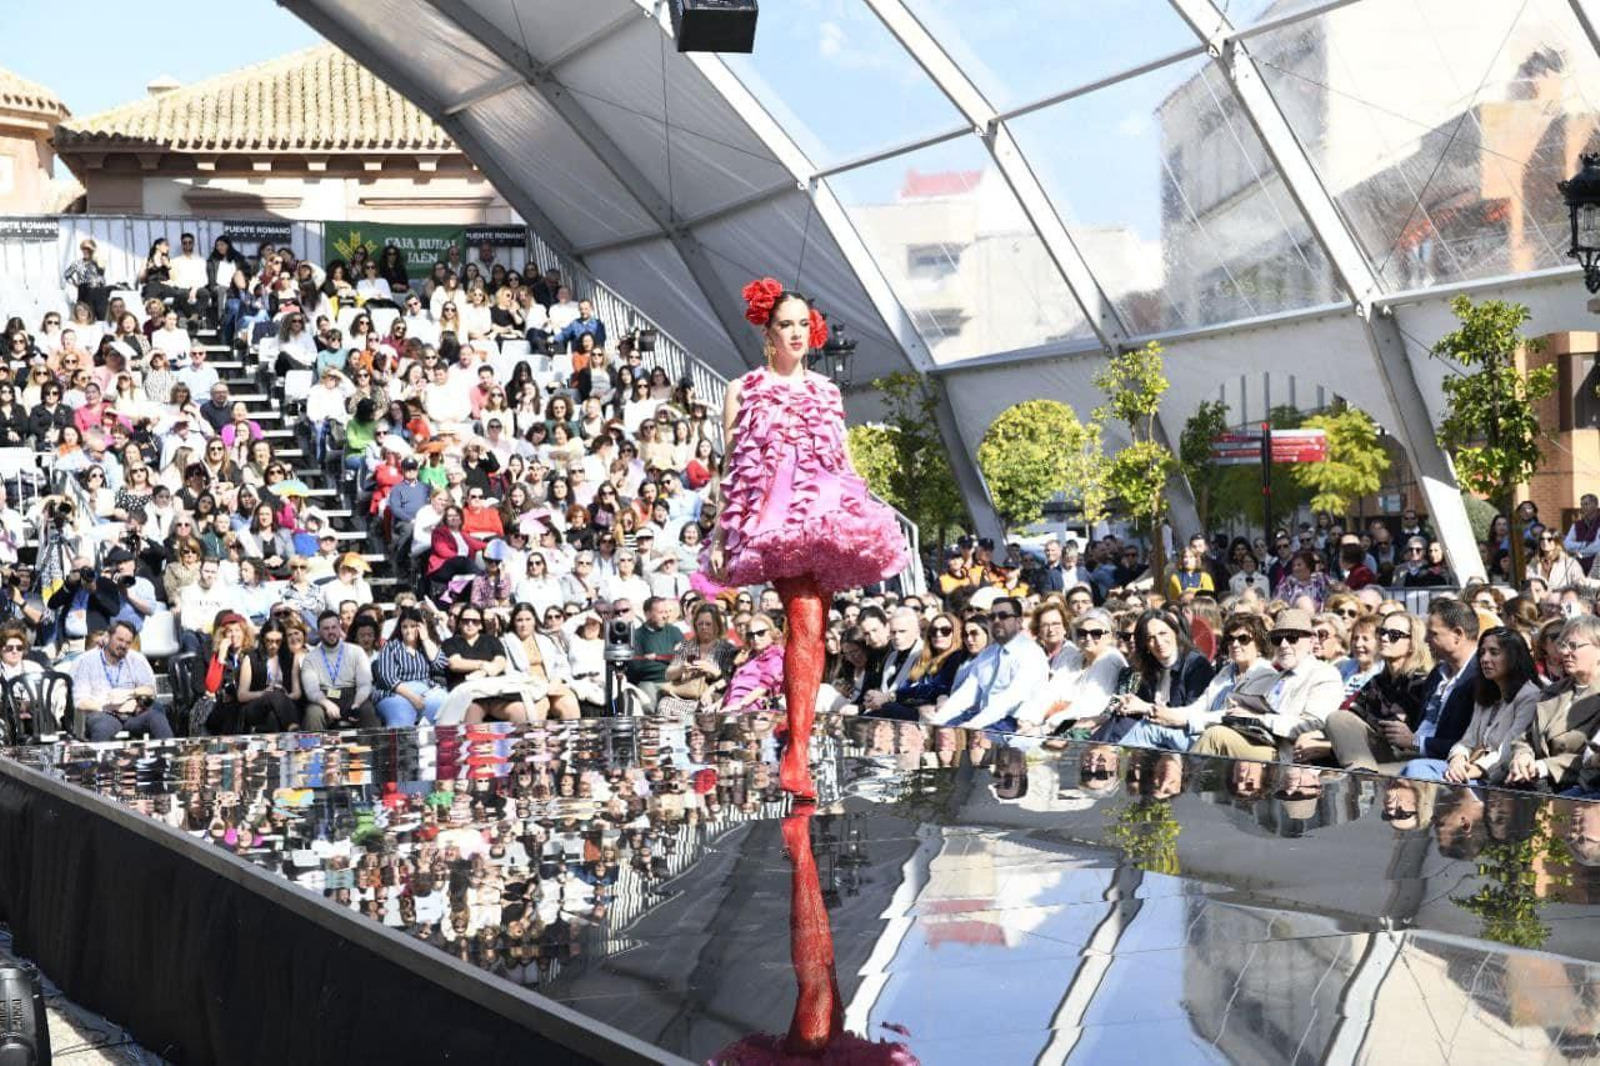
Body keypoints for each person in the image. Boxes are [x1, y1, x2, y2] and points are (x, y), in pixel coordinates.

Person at [706, 282, 905, 794]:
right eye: (785, 325)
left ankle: (800, 735)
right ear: (767, 332)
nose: (796, 333)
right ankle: (797, 750)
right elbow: (733, 470)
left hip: (829, 514)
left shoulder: (827, 390)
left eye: (801, 324)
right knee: (805, 618)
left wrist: (865, 507)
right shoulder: (743, 389)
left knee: (814, 630)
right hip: (779, 520)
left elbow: (843, 460)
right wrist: (720, 535)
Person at [1325, 601, 1476, 772]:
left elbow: (1392, 725)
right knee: (1339, 720)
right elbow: (1353, 712)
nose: (1383, 638)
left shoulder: (1421, 681)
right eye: (1381, 632)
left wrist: (1413, 741)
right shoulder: (1436, 675)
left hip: (1431, 761)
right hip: (1405, 751)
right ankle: (1363, 774)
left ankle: (1363, 777)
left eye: (1394, 635)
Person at [1101, 612, 1276, 751]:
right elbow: (1198, 706)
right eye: (1230, 639)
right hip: (1199, 732)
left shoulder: (1263, 673)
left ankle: (1110, 766)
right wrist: (1166, 715)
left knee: (1150, 729)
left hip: (1225, 739)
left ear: (1259, 643)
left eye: (1243, 639)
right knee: (1125, 721)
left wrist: (1178, 719)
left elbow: (1232, 717)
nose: (1235, 644)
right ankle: (1100, 760)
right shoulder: (1228, 671)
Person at [1190, 608, 1344, 761]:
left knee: (1216, 736)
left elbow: (1313, 724)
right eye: (1277, 639)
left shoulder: (1325, 675)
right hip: (1262, 746)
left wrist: (1259, 718)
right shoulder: (1276, 678)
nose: (1283, 645)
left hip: (1290, 755)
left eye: (1292, 638)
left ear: (1311, 641)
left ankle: (1181, 782)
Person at [1402, 626, 1540, 783]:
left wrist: (1477, 769)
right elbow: (1467, 741)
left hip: (1497, 777)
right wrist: (1457, 759)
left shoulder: (1529, 696)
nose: (1485, 659)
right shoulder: (1486, 694)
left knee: (1417, 771)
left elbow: (1511, 747)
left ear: (1513, 657)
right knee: (1414, 768)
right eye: (1482, 653)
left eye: (1494, 653)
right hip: (1469, 768)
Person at [1505, 615, 1600, 792]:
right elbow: (1526, 737)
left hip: (1577, 790)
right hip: (1532, 782)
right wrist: (1522, 756)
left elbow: (1592, 759)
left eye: (1574, 646)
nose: (1564, 652)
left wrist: (1543, 767)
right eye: (1563, 645)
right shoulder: (1553, 691)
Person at [923, 596, 1047, 731]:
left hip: (1012, 725)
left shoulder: (1031, 653)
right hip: (981, 720)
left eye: (1003, 616)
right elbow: (967, 693)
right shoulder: (988, 653)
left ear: (1018, 621)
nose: (997, 621)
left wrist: (973, 726)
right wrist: (938, 721)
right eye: (992, 616)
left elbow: (1010, 699)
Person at [71, 620, 170, 741]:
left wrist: (131, 694)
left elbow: (150, 690)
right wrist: (111, 708)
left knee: (157, 717)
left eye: (128, 642)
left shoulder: (136, 659)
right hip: (102, 712)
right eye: (120, 640)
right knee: (101, 727)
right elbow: (80, 701)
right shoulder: (87, 661)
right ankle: (99, 760)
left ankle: (168, 757)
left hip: (132, 713)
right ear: (108, 637)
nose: (123, 645)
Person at [299, 610, 378, 731]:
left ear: (339, 629)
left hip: (352, 695)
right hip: (323, 697)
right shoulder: (310, 658)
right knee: (313, 713)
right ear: (319, 632)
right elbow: (312, 691)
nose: (331, 632)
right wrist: (326, 704)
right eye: (326, 628)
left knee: (366, 710)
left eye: (334, 627)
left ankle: (370, 749)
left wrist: (356, 704)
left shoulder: (356, 651)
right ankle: (316, 749)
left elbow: (365, 684)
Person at [373, 606, 448, 727]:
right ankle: (403, 745)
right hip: (397, 693)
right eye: (405, 627)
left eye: (413, 626)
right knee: (402, 717)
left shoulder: (427, 646)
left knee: (443, 707)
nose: (409, 631)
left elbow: (440, 664)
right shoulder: (390, 647)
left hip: (426, 690)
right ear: (400, 628)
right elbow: (388, 678)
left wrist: (425, 638)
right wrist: (413, 698)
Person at [237, 618, 301, 733]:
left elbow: (297, 693)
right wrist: (265, 694)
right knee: (274, 694)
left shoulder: (290, 658)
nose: (273, 645)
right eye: (269, 641)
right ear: (263, 639)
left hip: (283, 706)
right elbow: (242, 695)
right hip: (255, 705)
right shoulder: (251, 658)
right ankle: (293, 728)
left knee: (272, 716)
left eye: (278, 641)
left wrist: (283, 698)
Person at [626, 596, 682, 711]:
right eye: (661, 612)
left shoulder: (674, 631)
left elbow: (685, 658)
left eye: (666, 612)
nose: (665, 616)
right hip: (649, 682)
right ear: (647, 614)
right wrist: (670, 658)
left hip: (673, 681)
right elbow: (637, 667)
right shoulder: (636, 636)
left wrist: (656, 657)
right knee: (648, 706)